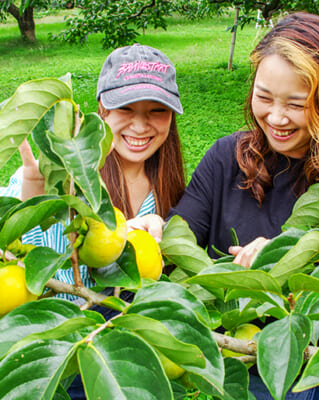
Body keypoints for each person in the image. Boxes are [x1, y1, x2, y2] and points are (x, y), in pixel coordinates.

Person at [129, 12, 319, 400]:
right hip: (230, 362)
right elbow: (184, 227)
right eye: (264, 97)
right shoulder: (226, 156)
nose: (275, 117)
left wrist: (293, 261)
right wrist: (157, 231)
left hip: (304, 372)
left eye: (297, 104)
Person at [0, 43, 185, 303]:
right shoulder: (68, 179)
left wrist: (122, 241)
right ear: (102, 108)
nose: (141, 126)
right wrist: (32, 188)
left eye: (157, 110)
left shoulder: (166, 188)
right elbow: (17, 256)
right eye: (126, 108)